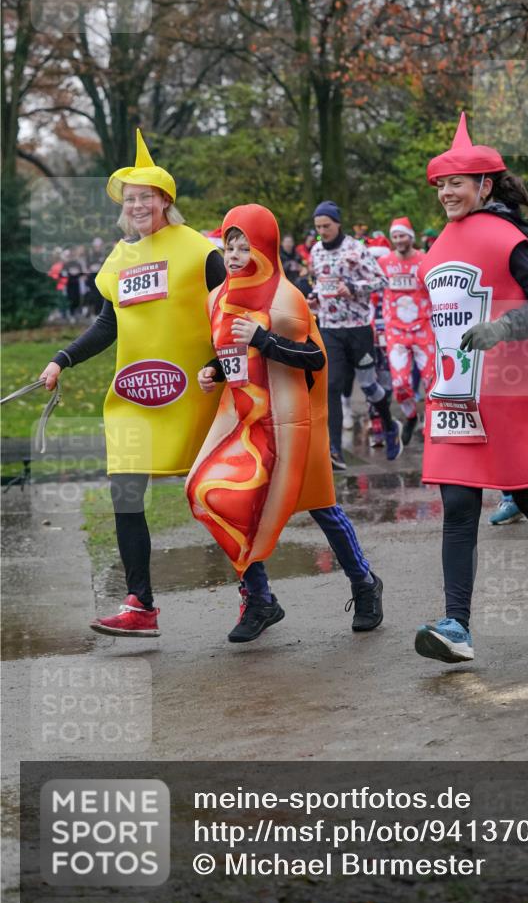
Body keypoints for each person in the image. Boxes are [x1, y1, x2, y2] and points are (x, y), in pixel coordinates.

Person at [414, 113, 528, 665]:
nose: (447, 191)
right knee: (458, 500)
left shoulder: (511, 238)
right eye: (441, 184)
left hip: (509, 390)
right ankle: (457, 625)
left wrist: (500, 328)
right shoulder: (437, 245)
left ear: (485, 185)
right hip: (455, 394)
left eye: (457, 183)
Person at [39, 130, 224, 637]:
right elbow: (108, 323)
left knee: (217, 495)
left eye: (147, 197)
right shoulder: (119, 259)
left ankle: (257, 593)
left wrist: (221, 366)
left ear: (166, 200)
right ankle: (140, 604)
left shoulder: (200, 251)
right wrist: (62, 359)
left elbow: (229, 315)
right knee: (125, 495)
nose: (138, 205)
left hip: (198, 392)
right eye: (131, 198)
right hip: (136, 395)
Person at [188, 205, 383, 641]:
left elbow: (314, 357)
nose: (235, 255)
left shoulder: (286, 298)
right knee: (218, 497)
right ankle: (259, 599)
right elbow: (230, 354)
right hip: (244, 421)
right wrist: (213, 371)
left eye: (245, 246)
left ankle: (364, 584)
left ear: (265, 247)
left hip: (293, 423)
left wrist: (263, 339)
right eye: (229, 246)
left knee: (320, 507)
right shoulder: (215, 298)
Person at [308, 200, 402, 469]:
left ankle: (388, 423)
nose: (322, 231)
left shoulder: (356, 249)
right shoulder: (315, 251)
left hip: (358, 327)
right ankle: (334, 449)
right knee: (332, 385)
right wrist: (314, 299)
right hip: (329, 328)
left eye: (326, 226)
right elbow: (320, 284)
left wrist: (353, 286)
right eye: (318, 227)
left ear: (338, 224)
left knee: (369, 387)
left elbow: (382, 281)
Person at [375, 217, 435, 446]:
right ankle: (410, 415)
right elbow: (372, 288)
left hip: (424, 328)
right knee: (400, 384)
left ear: (411, 236)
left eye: (403, 235)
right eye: (395, 236)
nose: (399, 240)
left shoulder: (425, 260)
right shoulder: (383, 262)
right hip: (395, 332)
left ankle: (431, 426)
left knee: (431, 381)